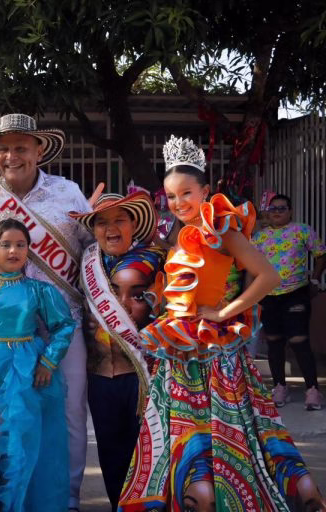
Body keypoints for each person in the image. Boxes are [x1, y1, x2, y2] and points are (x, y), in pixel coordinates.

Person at [118, 135, 326, 511]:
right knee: (180, 433)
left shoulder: (222, 228)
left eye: (186, 193)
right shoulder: (177, 236)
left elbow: (267, 276)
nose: (179, 203)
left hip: (215, 353)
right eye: (171, 196)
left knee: (224, 432)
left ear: (206, 190)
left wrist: (225, 313)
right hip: (178, 351)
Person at [0, 113, 94, 511]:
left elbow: (93, 246)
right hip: (5, 338)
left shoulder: (68, 193)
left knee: (69, 415)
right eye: (4, 148)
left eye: (21, 147)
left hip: (64, 327)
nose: (12, 155)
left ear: (39, 150)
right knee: (8, 420)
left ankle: (68, 499)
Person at [0, 218, 75, 511]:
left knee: (22, 449)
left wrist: (48, 362)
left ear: (29, 252)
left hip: (25, 377)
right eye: (6, 245)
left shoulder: (39, 290)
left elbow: (64, 326)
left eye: (20, 245)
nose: (13, 251)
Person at [69, 192, 165, 511]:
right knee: (111, 458)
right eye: (102, 222)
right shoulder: (86, 263)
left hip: (143, 376)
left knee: (150, 455)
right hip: (100, 379)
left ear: (133, 225)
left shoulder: (155, 261)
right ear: (94, 230)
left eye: (119, 220)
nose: (111, 228)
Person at [252, 193, 326, 410]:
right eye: (273, 208)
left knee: (298, 339)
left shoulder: (303, 231)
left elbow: (321, 255)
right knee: (275, 341)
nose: (277, 212)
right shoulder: (259, 237)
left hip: (296, 292)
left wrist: (315, 278)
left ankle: (312, 391)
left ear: (290, 211)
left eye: (282, 208)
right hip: (269, 295)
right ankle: (279, 388)